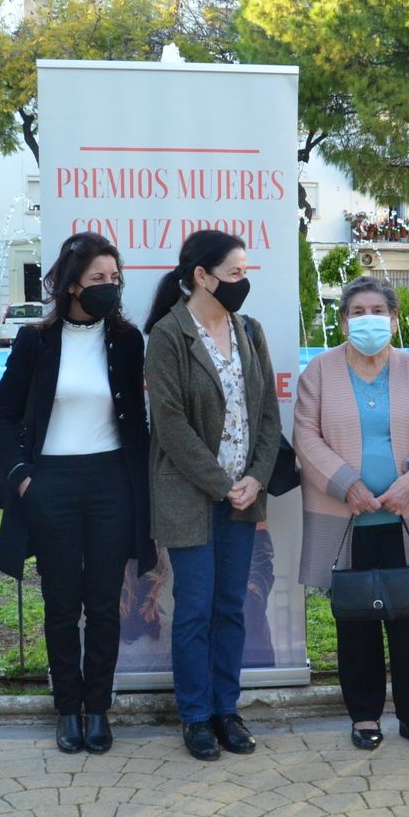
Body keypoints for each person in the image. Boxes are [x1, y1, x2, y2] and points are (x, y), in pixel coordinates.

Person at [0, 232, 155, 755]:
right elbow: (2, 415)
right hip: (52, 485)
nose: (110, 285)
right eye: (98, 277)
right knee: (62, 605)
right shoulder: (36, 340)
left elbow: (137, 422)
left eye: (115, 278)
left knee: (105, 605)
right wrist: (22, 476)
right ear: (72, 285)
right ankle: (67, 707)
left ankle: (98, 709)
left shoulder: (127, 340)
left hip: (111, 483)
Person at [294, 276, 409, 753]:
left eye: (378, 311)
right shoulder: (319, 372)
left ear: (394, 319)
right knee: (355, 620)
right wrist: (347, 484)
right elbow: (306, 437)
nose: (369, 320)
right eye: (358, 312)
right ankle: (364, 716)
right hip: (346, 519)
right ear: (344, 322)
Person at [144, 230, 280, 761]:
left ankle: (227, 709)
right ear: (202, 276)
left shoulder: (250, 330)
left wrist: (256, 479)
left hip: (245, 496)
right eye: (234, 273)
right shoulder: (169, 334)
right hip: (192, 496)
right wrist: (224, 485)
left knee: (231, 606)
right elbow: (170, 425)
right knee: (195, 609)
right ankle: (196, 717)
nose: (243, 282)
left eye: (246, 272)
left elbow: (267, 415)